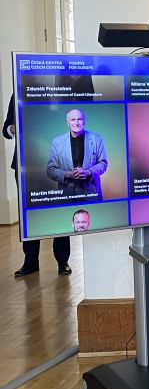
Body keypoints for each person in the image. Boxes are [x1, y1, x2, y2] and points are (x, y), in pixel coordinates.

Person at [5, 96, 72, 277]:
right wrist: (12, 128)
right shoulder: (16, 93)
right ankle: (31, 261)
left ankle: (63, 261)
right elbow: (6, 128)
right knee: (30, 214)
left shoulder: (53, 91)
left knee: (58, 210)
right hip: (25, 164)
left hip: (54, 162)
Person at [46, 108, 109, 202]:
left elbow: (103, 164)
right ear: (68, 123)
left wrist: (88, 172)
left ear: (84, 122)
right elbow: (50, 170)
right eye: (73, 119)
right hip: (66, 196)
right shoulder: (57, 142)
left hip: (91, 194)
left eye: (79, 119)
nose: (76, 123)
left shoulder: (97, 139)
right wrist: (67, 174)